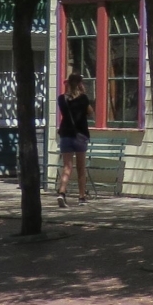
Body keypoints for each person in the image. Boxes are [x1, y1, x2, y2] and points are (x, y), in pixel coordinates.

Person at [54, 72, 92, 208]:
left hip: (65, 135)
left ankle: (62, 192)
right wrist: (83, 93)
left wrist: (68, 90)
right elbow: (90, 112)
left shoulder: (61, 99)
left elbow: (66, 106)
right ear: (80, 84)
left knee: (67, 167)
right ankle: (81, 197)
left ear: (68, 83)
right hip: (80, 135)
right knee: (81, 168)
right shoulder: (83, 99)